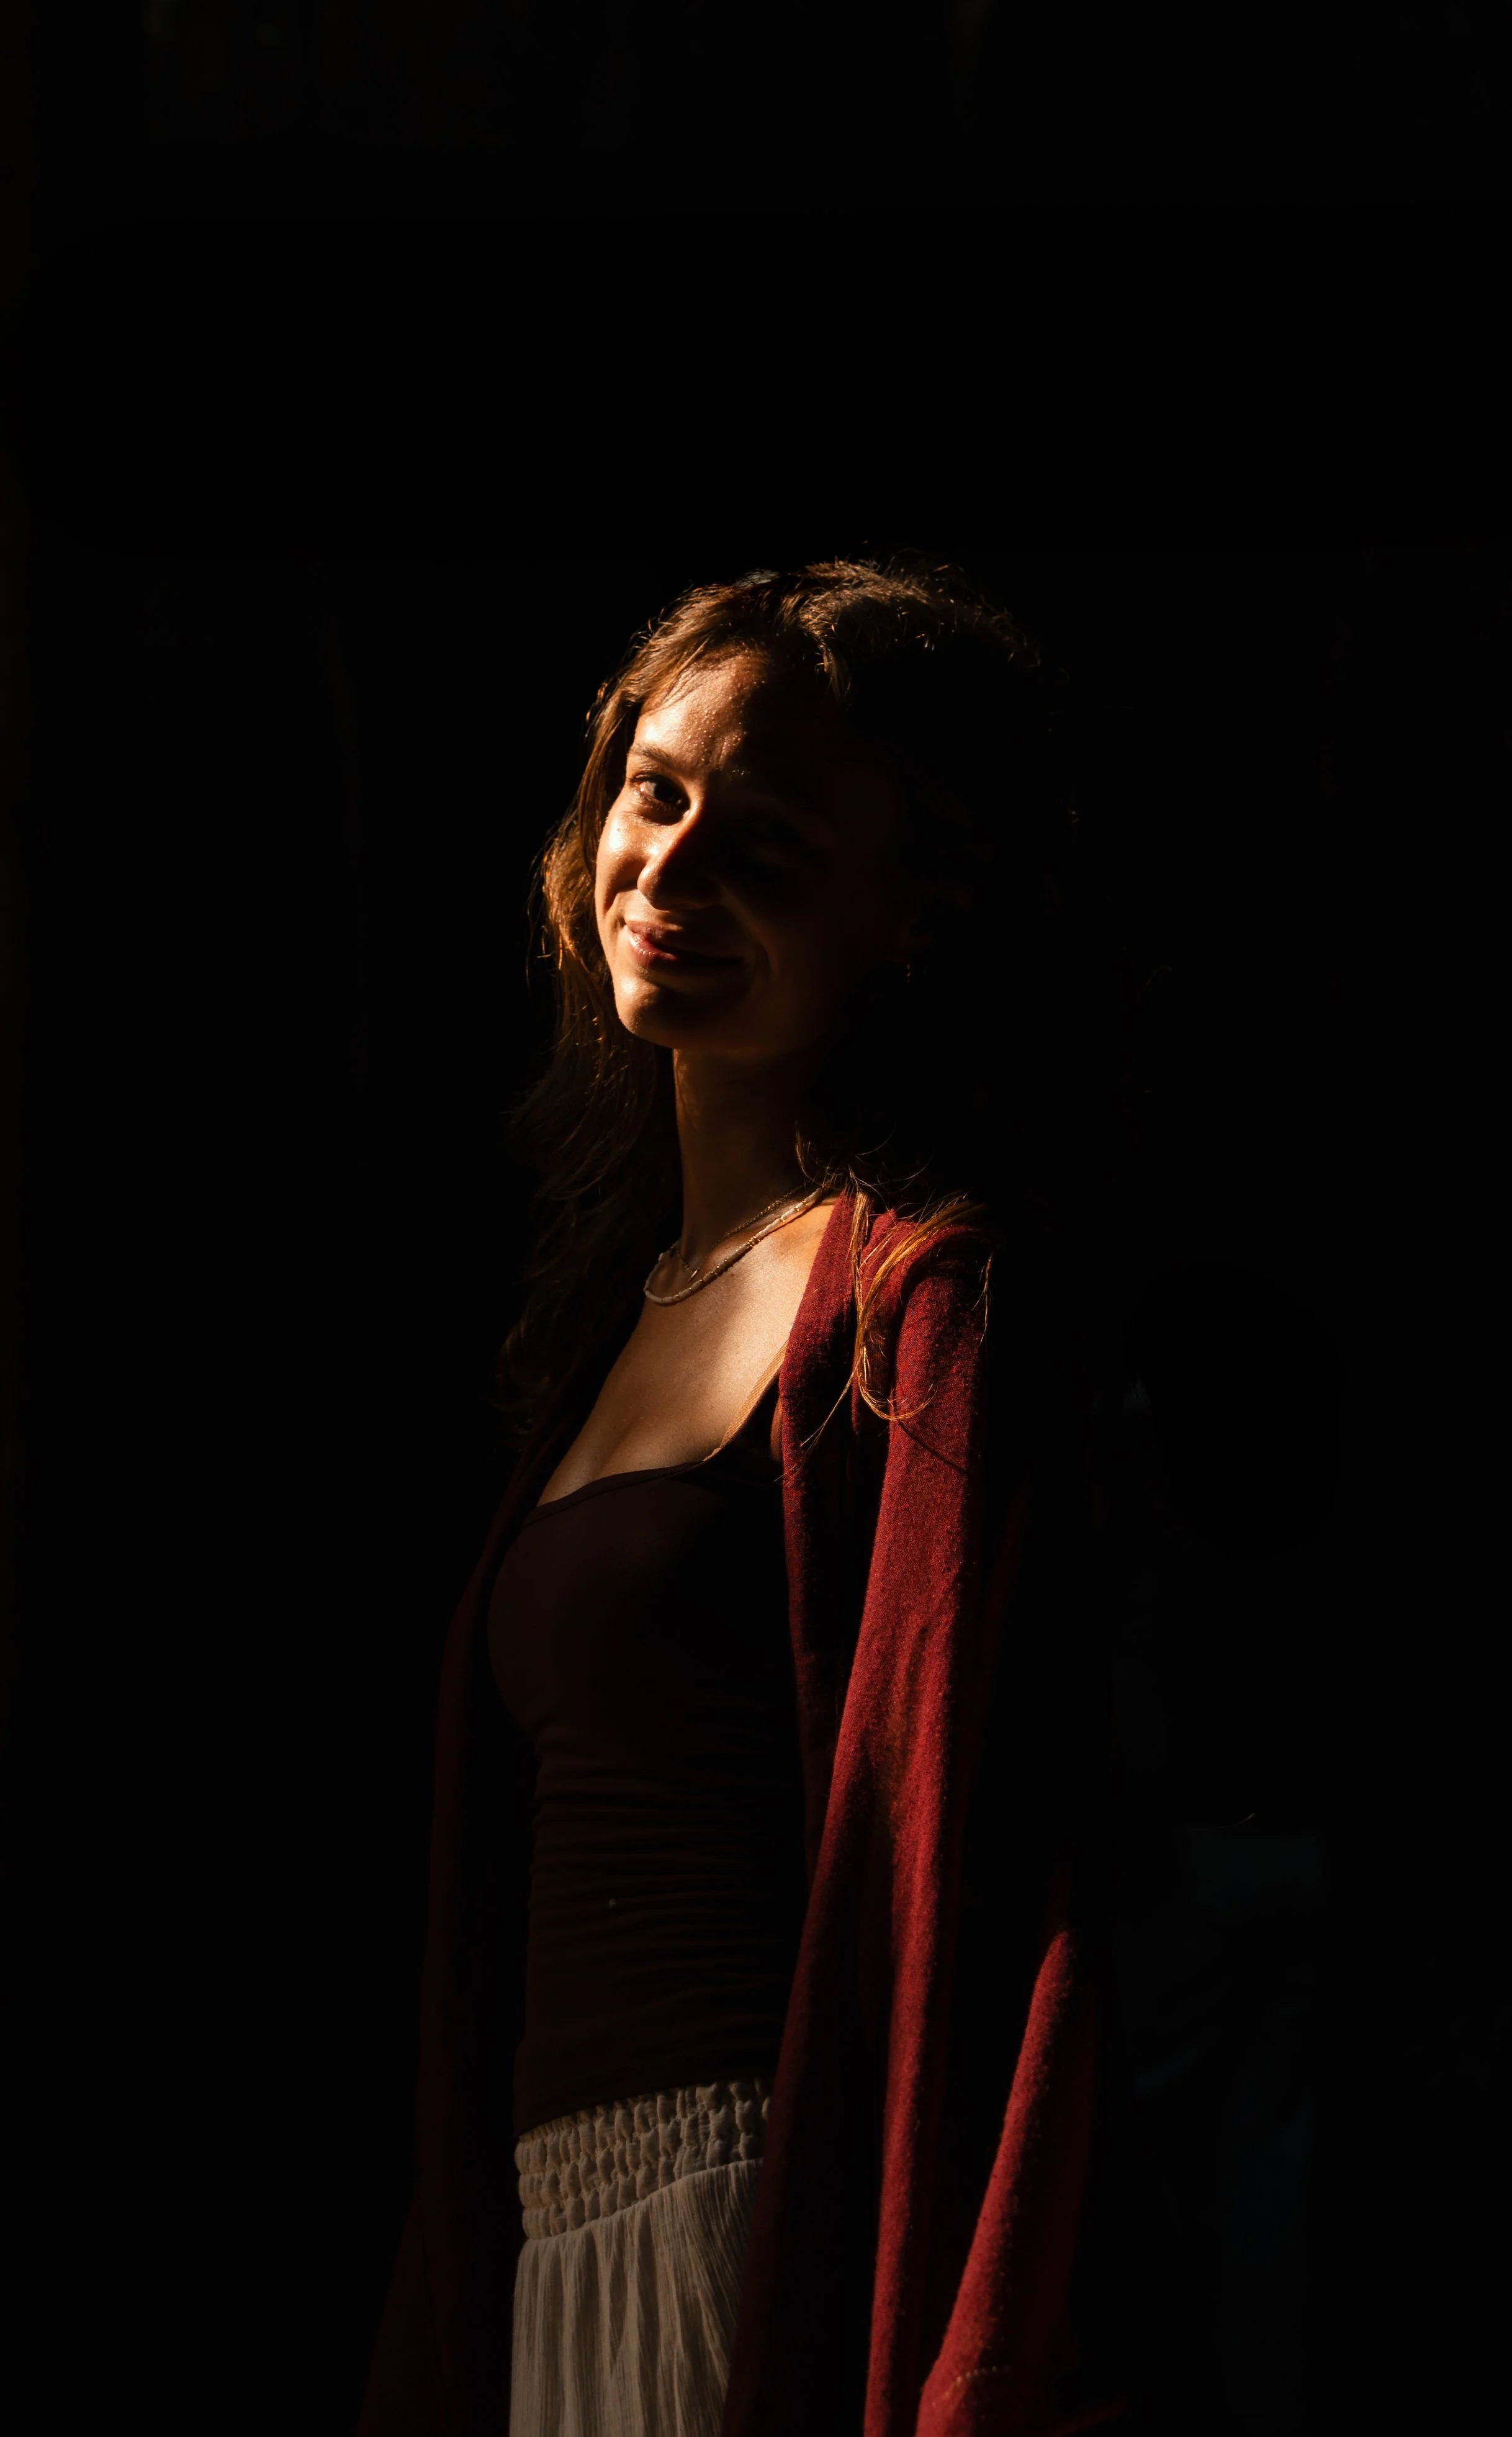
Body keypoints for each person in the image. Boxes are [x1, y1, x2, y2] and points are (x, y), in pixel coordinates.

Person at [356, 557, 1137, 2437]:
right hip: (557, 2248)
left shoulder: (916, 1305)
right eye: (656, 788)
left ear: (911, 911)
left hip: (763, 2233)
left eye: (769, 838)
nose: (672, 869)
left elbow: (1022, 1876)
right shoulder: (607, 1319)